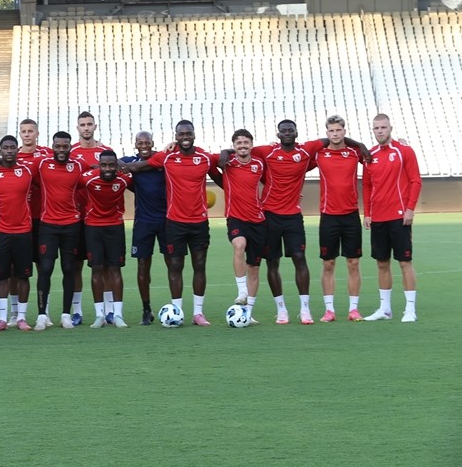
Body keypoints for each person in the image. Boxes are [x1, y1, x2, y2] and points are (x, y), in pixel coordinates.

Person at [124, 120, 218, 326]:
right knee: (174, 266)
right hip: (172, 222)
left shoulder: (204, 157)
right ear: (175, 136)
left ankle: (198, 313)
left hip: (197, 221)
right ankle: (175, 311)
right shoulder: (166, 157)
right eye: (181, 134)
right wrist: (108, 166)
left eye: (188, 133)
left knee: (199, 265)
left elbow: (221, 171)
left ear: (194, 134)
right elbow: (136, 166)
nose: (185, 137)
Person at [246, 120, 326, 324]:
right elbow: (241, 150)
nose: (287, 133)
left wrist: (359, 146)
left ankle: (305, 309)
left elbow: (331, 140)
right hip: (270, 215)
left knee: (299, 258)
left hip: (293, 216)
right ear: (278, 134)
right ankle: (281, 309)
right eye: (284, 131)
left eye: (291, 130)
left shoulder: (306, 151)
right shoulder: (267, 152)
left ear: (296, 133)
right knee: (272, 262)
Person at [362, 114, 422, 322]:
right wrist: (367, 213)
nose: (380, 131)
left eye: (383, 127)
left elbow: (415, 181)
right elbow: (367, 186)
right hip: (378, 218)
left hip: (399, 216)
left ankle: (410, 310)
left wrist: (410, 208)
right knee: (381, 263)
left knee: (405, 262)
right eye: (376, 128)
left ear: (390, 128)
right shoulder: (369, 155)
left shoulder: (404, 151)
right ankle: (385, 309)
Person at [314, 115, 366, 322]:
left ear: (344, 131)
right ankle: (329, 310)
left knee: (353, 263)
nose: (335, 134)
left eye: (338, 130)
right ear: (326, 133)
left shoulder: (355, 153)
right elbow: (295, 167)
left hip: (351, 216)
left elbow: (376, 160)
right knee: (328, 263)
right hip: (328, 216)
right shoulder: (319, 154)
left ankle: (354, 309)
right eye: (331, 131)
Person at [32, 131, 84, 330]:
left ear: (70, 147)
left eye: (65, 146)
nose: (61, 150)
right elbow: (22, 168)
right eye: (58, 146)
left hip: (71, 225)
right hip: (48, 225)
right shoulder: (42, 164)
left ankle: (65, 315)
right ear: (52, 147)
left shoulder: (78, 165)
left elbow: (98, 170)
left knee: (69, 269)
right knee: (45, 269)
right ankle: (42, 315)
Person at [0, 135, 35, 332]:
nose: (9, 151)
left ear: (17, 149)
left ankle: (21, 318)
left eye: (13, 147)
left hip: (23, 231)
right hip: (1, 231)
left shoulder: (28, 171)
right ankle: (3, 319)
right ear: (0, 150)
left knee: (23, 276)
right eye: (5, 148)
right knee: (2, 276)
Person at [79, 149, 132, 327]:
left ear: (116, 166)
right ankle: (99, 315)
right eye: (104, 165)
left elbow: (139, 171)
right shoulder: (88, 179)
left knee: (115, 269)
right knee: (97, 269)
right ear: (99, 166)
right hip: (93, 227)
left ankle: (118, 315)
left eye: (111, 165)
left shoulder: (124, 179)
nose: (107, 169)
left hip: (115, 227)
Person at [121, 131, 168, 326]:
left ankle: (177, 305)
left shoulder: (162, 159)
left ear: (152, 142)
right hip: (143, 222)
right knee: (142, 266)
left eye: (146, 142)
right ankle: (146, 309)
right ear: (135, 145)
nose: (143, 145)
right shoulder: (130, 161)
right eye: (140, 142)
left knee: (173, 264)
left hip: (166, 220)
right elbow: (116, 164)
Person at [221, 130, 267, 324]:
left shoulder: (259, 164)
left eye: (246, 142)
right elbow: (214, 159)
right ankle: (242, 291)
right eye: (239, 143)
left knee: (254, 268)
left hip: (257, 220)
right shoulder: (227, 163)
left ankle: (248, 312)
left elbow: (271, 183)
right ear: (233, 146)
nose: (242, 146)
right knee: (239, 245)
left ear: (251, 144)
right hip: (236, 217)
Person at [68, 111, 108, 324]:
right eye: (82, 124)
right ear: (78, 128)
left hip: (99, 219)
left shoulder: (105, 152)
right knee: (76, 266)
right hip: (76, 218)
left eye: (89, 124)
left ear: (95, 126)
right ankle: (77, 311)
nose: (86, 128)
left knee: (104, 266)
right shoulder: (71, 152)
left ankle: (109, 311)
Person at [14, 118, 53, 323]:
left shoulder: (47, 154)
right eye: (24, 131)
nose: (27, 134)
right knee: (16, 268)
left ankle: (44, 311)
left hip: (42, 218)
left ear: (37, 133)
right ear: (20, 134)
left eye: (31, 131)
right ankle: (14, 313)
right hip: (19, 221)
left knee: (42, 266)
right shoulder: (13, 155)